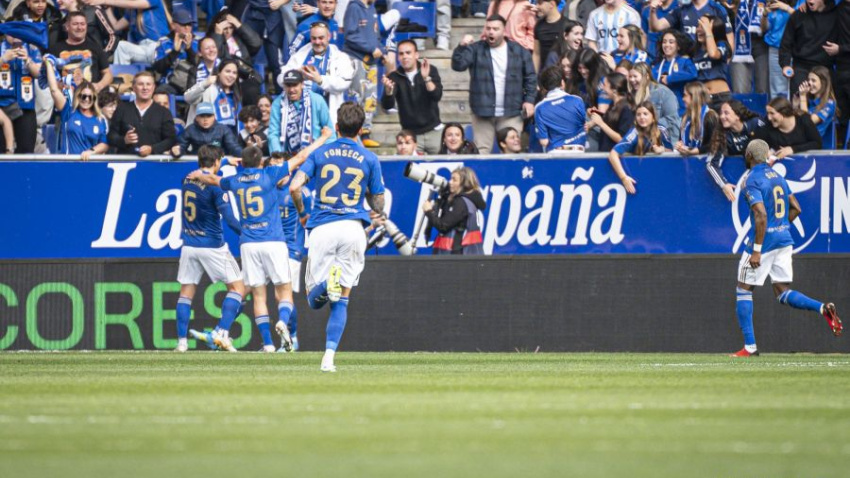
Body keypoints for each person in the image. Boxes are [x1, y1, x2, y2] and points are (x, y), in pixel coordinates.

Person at [188, 128, 333, 353]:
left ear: (242, 163)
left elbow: (213, 179)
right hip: (273, 241)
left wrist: (198, 175)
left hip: (247, 242)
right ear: (262, 162)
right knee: (284, 292)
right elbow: (302, 156)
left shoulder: (234, 180)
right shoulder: (270, 175)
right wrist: (323, 138)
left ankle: (267, 344)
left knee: (257, 295)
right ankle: (283, 322)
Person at [287, 102, 385, 372]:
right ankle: (328, 359)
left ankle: (325, 286)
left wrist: (303, 213)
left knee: (312, 299)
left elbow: (295, 187)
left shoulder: (321, 152)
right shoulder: (369, 159)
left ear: (338, 127)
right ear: (362, 129)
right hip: (354, 228)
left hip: (323, 227)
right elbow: (378, 205)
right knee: (342, 299)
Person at [730, 139, 842, 357]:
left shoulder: (752, 179)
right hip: (784, 239)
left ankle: (750, 347)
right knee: (782, 292)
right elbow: (796, 208)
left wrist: (757, 249)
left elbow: (760, 215)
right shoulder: (779, 178)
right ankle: (822, 308)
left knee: (743, 289)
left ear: (750, 156)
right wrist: (780, 226)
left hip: (764, 243)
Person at [175, 145, 245, 353]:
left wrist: (225, 161)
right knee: (238, 289)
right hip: (212, 245)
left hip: (189, 245)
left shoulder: (187, 179)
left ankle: (182, 343)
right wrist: (247, 233)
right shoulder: (216, 187)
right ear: (215, 163)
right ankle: (221, 333)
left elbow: (209, 169)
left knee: (186, 294)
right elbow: (231, 219)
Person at [453, 16, 536, 154]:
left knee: (512, 151)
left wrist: (529, 100)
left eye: (495, 29)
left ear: (504, 31)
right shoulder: (475, 49)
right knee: (481, 152)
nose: (491, 32)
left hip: (512, 111)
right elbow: (458, 65)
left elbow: (531, 77)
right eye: (488, 28)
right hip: (482, 111)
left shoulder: (519, 51)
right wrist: (461, 47)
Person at [281, 21, 354, 128]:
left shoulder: (341, 57)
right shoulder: (300, 55)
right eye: (314, 38)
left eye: (321, 38)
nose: (317, 42)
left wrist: (320, 80)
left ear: (328, 37)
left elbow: (344, 83)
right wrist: (296, 75)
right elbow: (280, 78)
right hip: (301, 114)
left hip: (328, 114)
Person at [380, 39, 443, 154]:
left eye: (408, 53)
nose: (405, 57)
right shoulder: (394, 76)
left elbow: (436, 96)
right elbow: (386, 106)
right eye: (401, 54)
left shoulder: (430, 70)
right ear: (398, 57)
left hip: (434, 131)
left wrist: (426, 78)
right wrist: (388, 92)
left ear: (416, 55)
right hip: (410, 136)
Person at [343, 0, 389, 148]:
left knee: (371, 98)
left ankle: (366, 134)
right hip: (356, 58)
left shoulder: (372, 8)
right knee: (357, 96)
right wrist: (370, 48)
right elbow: (350, 36)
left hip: (372, 62)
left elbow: (376, 38)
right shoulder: (354, 7)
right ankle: (352, 134)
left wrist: (382, 51)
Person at [608, 101, 673, 194]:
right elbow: (613, 154)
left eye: (645, 114)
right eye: (638, 114)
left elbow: (672, 151)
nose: (642, 117)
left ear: (653, 117)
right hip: (639, 177)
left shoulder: (661, 130)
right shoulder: (634, 132)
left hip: (660, 179)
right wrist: (624, 178)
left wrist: (662, 149)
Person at [45, 63, 108, 159]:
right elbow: (54, 90)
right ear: (78, 97)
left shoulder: (100, 119)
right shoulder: (69, 111)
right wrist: (49, 64)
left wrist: (90, 151)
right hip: (69, 164)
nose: (86, 99)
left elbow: (104, 144)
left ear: (94, 99)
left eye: (90, 97)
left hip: (89, 165)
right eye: (83, 96)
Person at [706, 99, 765, 201]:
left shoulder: (756, 124)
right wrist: (724, 185)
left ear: (737, 116)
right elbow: (711, 164)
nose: (722, 117)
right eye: (721, 113)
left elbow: (774, 141)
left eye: (726, 113)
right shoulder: (722, 135)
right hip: (740, 183)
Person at [107, 71, 176, 156]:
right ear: (133, 87)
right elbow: (111, 136)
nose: (145, 88)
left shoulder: (164, 112)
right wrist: (124, 140)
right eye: (140, 84)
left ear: (153, 87)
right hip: (126, 164)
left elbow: (171, 140)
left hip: (154, 163)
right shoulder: (122, 109)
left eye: (148, 84)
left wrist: (152, 149)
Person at [269, 69, 335, 155]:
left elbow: (330, 132)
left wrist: (325, 156)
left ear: (302, 84)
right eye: (288, 85)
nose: (291, 89)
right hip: (288, 157)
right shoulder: (278, 103)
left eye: (295, 85)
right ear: (284, 86)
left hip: (315, 154)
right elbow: (273, 134)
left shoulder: (317, 100)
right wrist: (278, 157)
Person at [423, 167, 487, 255]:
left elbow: (443, 226)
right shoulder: (468, 200)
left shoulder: (461, 203)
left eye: (454, 180)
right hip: (467, 252)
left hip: (457, 253)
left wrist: (429, 211)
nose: (450, 182)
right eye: (450, 179)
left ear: (464, 183)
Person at [779, 0, 836, 96]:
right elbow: (786, 43)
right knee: (798, 106)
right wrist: (785, 64)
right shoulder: (799, 15)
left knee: (823, 106)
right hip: (801, 68)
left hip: (824, 69)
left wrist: (839, 48)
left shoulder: (836, 15)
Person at [48, 11, 112, 92]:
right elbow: (49, 77)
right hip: (65, 98)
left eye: (82, 24)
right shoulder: (55, 49)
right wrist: (59, 86)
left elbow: (108, 74)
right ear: (67, 27)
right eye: (75, 24)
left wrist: (99, 86)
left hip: (90, 96)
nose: (79, 27)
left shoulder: (95, 47)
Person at [0, 34, 42, 153]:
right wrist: (3, 59)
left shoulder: (31, 49)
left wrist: (27, 60)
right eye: (12, 32)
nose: (16, 36)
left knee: (26, 149)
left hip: (25, 105)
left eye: (19, 32)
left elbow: (39, 74)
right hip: (2, 106)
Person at [101, 0, 172, 65]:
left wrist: (105, 1)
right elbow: (115, 27)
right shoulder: (132, 12)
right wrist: (107, 8)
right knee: (121, 46)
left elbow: (131, 4)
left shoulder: (155, 1)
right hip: (143, 49)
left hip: (159, 47)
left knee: (123, 47)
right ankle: (121, 77)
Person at [535, 65, 587, 151]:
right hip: (579, 151)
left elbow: (544, 141)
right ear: (562, 83)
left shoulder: (540, 108)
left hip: (555, 154)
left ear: (543, 88)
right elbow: (584, 126)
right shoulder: (577, 100)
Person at [183, 59, 242, 132]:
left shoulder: (235, 96)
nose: (231, 75)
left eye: (234, 73)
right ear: (219, 73)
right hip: (200, 138)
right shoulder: (208, 89)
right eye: (228, 71)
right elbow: (188, 98)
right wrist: (205, 84)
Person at [754, 96, 822, 158]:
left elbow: (817, 144)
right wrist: (765, 152)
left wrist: (792, 149)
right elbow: (754, 143)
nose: (769, 118)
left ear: (783, 112)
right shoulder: (767, 123)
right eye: (768, 113)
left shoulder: (803, 119)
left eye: (772, 113)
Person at [648, 0, 734, 49]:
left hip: (710, 60)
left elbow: (729, 39)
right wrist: (653, 10)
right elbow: (657, 26)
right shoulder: (681, 10)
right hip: (688, 61)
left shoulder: (717, 9)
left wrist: (725, 62)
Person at [150, 9, 197, 95]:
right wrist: (174, 52)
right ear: (173, 25)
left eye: (189, 24)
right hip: (169, 85)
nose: (187, 28)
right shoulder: (163, 42)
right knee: (161, 92)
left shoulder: (198, 42)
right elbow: (158, 68)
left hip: (192, 84)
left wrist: (189, 49)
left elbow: (200, 66)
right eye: (183, 24)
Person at [651, 29, 698, 115]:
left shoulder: (684, 61)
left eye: (671, 42)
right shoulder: (657, 64)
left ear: (678, 46)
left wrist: (670, 78)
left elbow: (693, 74)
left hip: (679, 109)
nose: (667, 45)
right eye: (664, 42)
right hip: (660, 110)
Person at [629, 62, 680, 140]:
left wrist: (649, 123)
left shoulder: (663, 92)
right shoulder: (632, 94)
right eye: (630, 76)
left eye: (635, 76)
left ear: (647, 76)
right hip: (643, 140)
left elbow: (672, 119)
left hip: (664, 141)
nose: (632, 80)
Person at [175, 102, 243, 157]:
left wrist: (243, 155)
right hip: (197, 163)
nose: (205, 119)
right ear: (197, 118)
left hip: (218, 163)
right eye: (202, 116)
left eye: (209, 116)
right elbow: (181, 146)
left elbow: (233, 147)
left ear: (214, 117)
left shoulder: (223, 129)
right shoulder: (190, 129)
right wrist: (176, 151)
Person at [590, 72, 635, 152]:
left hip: (617, 156)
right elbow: (612, 122)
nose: (603, 89)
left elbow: (622, 139)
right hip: (605, 152)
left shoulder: (627, 109)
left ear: (614, 90)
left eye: (605, 86)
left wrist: (601, 123)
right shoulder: (613, 104)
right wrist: (596, 116)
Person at [796, 66, 838, 149]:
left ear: (823, 82)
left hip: (813, 144)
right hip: (801, 139)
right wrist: (795, 105)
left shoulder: (829, 104)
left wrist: (803, 98)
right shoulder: (809, 101)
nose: (809, 83)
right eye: (809, 80)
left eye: (813, 80)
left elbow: (808, 122)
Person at [693, 15, 731, 104]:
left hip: (721, 97)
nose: (698, 29)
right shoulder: (694, 51)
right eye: (698, 26)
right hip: (702, 99)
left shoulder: (722, 45)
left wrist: (708, 32)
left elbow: (713, 54)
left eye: (703, 26)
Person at [675, 82, 718, 156]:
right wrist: (680, 145)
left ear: (694, 97)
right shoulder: (685, 117)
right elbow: (681, 140)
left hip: (706, 162)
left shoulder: (710, 116)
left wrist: (698, 150)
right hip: (688, 162)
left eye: (685, 95)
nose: (683, 99)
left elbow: (716, 144)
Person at [533, 0, 568, 71]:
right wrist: (535, 77)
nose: (537, 6)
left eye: (540, 3)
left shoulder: (567, 24)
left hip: (562, 74)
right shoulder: (538, 26)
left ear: (551, 4)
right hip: (544, 74)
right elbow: (536, 54)